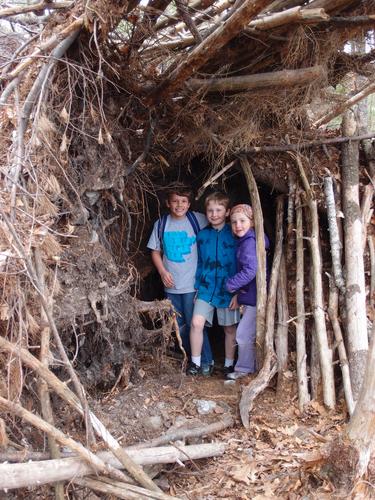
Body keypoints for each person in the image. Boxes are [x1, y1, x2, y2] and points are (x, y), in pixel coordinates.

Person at [147, 185, 213, 373]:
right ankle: (192, 361)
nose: (179, 205)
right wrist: (162, 272)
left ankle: (206, 362)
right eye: (175, 201)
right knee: (180, 325)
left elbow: (217, 223)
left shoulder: (197, 219)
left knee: (196, 324)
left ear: (189, 204)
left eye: (183, 201)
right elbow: (155, 251)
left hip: (193, 284)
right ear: (168, 203)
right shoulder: (161, 224)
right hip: (171, 285)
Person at [188, 191, 240, 376]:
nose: (214, 214)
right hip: (206, 287)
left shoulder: (235, 234)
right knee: (196, 323)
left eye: (219, 210)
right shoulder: (202, 236)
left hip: (228, 288)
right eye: (210, 210)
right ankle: (195, 363)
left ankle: (228, 365)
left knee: (229, 328)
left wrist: (238, 292)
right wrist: (197, 286)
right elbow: (201, 262)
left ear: (227, 212)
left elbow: (243, 261)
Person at [225, 204, 270, 380]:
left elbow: (251, 270)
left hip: (256, 298)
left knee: (243, 334)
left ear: (252, 222)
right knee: (247, 333)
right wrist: (239, 295)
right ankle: (247, 367)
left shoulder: (249, 243)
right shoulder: (248, 240)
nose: (238, 225)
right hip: (251, 295)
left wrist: (231, 285)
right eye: (234, 222)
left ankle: (244, 369)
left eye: (243, 221)